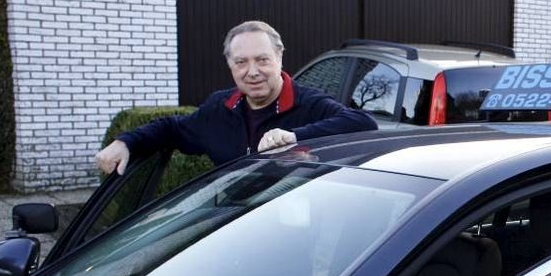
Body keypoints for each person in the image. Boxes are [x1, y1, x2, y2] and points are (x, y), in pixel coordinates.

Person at [96, 21, 376, 175]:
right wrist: (126, 142)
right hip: (231, 232)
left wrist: (294, 136)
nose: (252, 72)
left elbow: (362, 123)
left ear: (279, 57)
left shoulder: (308, 104)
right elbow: (172, 128)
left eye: (262, 60)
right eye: (241, 62)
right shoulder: (219, 108)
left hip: (293, 237)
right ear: (230, 65)